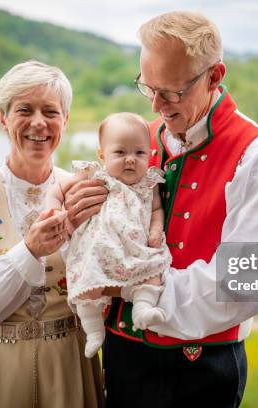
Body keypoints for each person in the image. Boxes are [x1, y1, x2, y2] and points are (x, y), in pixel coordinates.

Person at [63, 11, 258, 408]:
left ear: (214, 76)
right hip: (122, 357)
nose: (157, 105)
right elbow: (101, 227)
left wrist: (127, 284)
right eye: (147, 87)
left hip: (201, 367)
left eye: (171, 92)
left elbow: (244, 284)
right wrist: (79, 212)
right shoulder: (137, 141)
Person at [0, 60, 103, 408]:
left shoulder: (83, 193)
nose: (39, 123)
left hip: (70, 366)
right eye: (24, 110)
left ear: (66, 120)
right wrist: (28, 251)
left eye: (51, 112)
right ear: (2, 117)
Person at [45, 112, 171, 359]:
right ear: (102, 155)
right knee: (87, 284)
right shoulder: (95, 176)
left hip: (136, 245)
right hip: (100, 246)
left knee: (154, 269)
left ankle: (143, 309)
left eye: (139, 153)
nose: (131, 160)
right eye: (120, 153)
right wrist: (56, 210)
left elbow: (156, 209)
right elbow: (58, 190)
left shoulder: (149, 181)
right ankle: (93, 330)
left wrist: (156, 230)